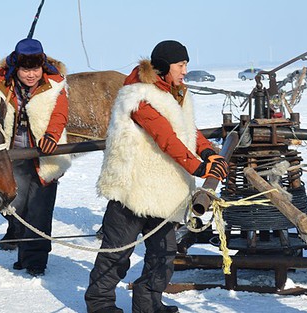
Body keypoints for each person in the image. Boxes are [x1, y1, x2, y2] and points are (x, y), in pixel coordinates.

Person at [84, 40, 228, 313]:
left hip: (163, 190)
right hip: (133, 188)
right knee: (117, 252)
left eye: (186, 65)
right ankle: (99, 304)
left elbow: (188, 130)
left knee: (163, 253)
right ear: (163, 67)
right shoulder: (138, 96)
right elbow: (165, 136)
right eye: (181, 65)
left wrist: (208, 152)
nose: (185, 71)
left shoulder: (177, 92)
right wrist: (198, 168)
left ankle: (147, 302)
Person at [0, 37, 71, 277]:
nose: (31, 75)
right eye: (26, 69)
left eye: (35, 69)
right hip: (12, 155)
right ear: (17, 67)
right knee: (18, 208)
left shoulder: (56, 85)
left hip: (44, 157)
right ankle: (24, 256)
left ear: (42, 67)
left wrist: (52, 135)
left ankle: (36, 261)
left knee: (40, 210)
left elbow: (60, 113)